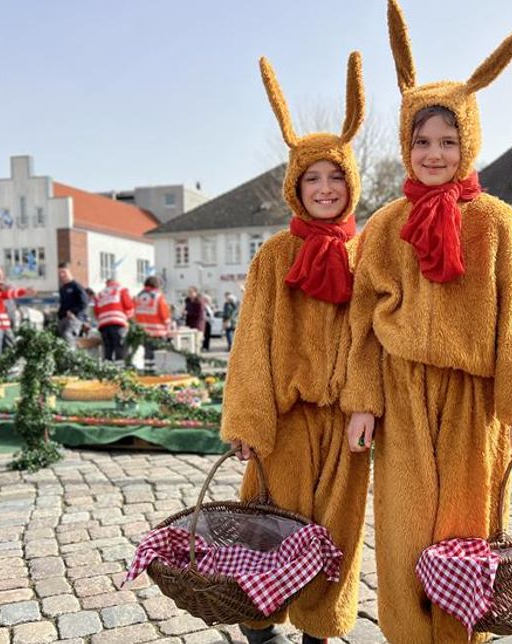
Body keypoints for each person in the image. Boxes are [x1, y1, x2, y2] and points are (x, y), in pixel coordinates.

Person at [343, 7, 512, 641]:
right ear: (405, 143)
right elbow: (361, 324)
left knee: (469, 529)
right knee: (406, 528)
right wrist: (362, 402)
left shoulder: (497, 222)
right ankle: (408, 634)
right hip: (402, 396)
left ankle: (465, 636)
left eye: (448, 141)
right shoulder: (383, 226)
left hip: (475, 401)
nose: (434, 154)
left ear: (469, 143)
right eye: (421, 140)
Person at [220, 52, 371, 644]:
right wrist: (247, 419)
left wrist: (366, 402)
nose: (325, 188)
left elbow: (373, 340)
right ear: (296, 185)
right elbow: (251, 340)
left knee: (337, 531)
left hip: (345, 419)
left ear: (351, 182)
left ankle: (318, 631)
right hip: (283, 420)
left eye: (336, 176)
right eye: (313, 178)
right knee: (270, 525)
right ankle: (259, 627)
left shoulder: (368, 253)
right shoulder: (275, 256)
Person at [134, 276, 171, 373]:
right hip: (158, 331)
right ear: (157, 285)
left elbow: (134, 314)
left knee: (147, 354)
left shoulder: (138, 297)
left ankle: (148, 374)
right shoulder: (158, 297)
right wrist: (168, 327)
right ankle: (158, 375)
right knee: (159, 355)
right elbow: (164, 314)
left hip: (143, 331)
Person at [93, 277, 134, 363]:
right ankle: (120, 369)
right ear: (116, 282)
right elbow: (129, 305)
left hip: (104, 325)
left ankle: (108, 370)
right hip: (118, 323)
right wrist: (128, 318)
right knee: (120, 346)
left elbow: (96, 312)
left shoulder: (100, 294)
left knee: (108, 348)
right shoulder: (121, 289)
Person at [56, 263, 88, 346]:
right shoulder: (62, 288)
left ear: (70, 272)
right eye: (60, 273)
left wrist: (73, 312)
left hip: (73, 319)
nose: (61, 275)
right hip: (63, 319)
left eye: (64, 272)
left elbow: (84, 303)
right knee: (60, 340)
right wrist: (59, 315)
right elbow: (63, 304)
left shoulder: (77, 286)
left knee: (68, 336)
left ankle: (71, 356)